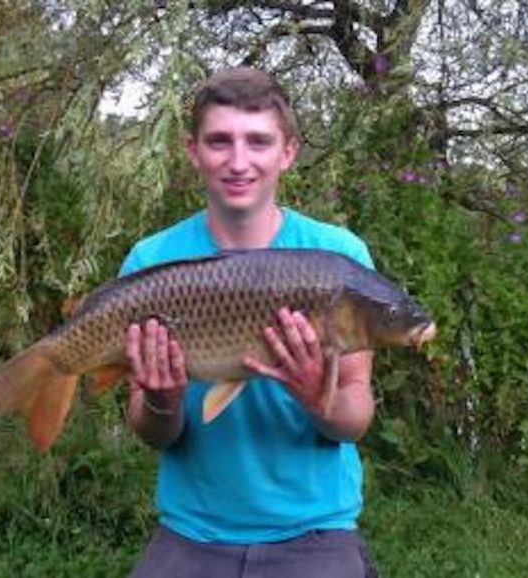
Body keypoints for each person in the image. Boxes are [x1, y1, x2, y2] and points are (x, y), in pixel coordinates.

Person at [121, 67, 379, 578]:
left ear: (287, 152)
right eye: (220, 141)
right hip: (192, 529)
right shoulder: (151, 262)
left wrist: (319, 399)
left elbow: (356, 415)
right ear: (192, 150)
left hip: (314, 530)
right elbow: (155, 434)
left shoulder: (336, 256)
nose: (238, 162)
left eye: (258, 141)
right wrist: (160, 400)